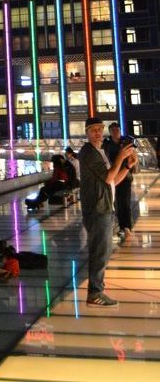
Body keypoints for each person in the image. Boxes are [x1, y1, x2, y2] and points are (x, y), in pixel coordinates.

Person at [78, 115, 136, 307]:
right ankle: (94, 293)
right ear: (86, 133)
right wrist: (120, 157)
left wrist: (127, 166)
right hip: (96, 209)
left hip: (104, 206)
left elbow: (113, 180)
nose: (97, 133)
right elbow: (109, 175)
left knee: (103, 251)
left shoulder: (100, 151)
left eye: (99, 129)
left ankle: (97, 291)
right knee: (99, 252)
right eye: (92, 130)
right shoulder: (88, 152)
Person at [103, 122, 135, 240]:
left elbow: (133, 156)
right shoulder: (107, 144)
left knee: (125, 202)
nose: (116, 131)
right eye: (113, 130)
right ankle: (121, 226)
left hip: (125, 176)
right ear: (110, 132)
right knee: (116, 202)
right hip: (112, 176)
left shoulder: (126, 142)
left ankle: (126, 227)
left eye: (117, 129)